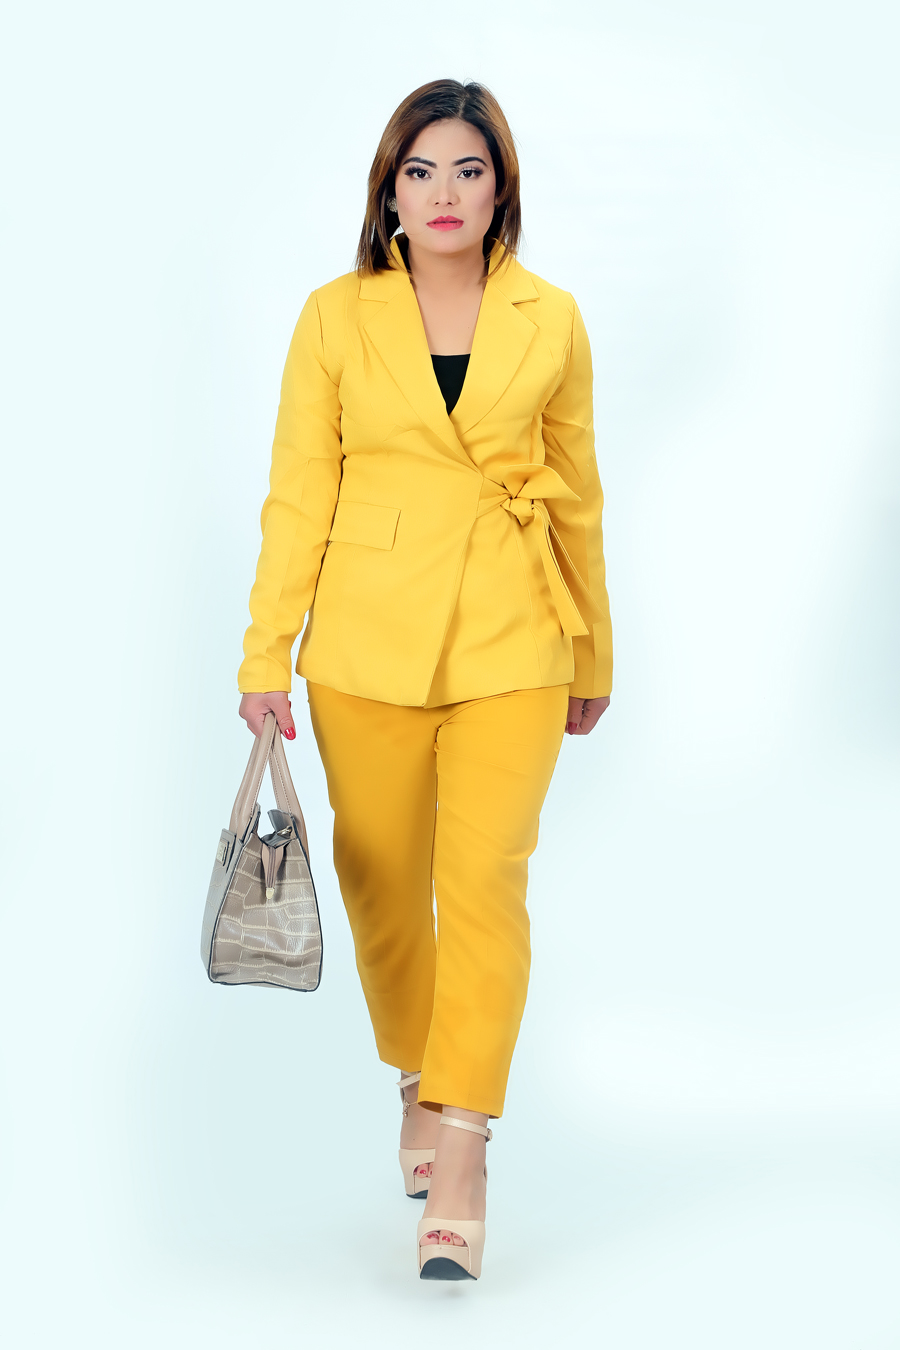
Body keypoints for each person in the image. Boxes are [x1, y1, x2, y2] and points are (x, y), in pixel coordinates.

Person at [237, 78, 612, 1281]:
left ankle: (462, 1145)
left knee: (486, 883)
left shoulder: (551, 317)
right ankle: (419, 1071)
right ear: (388, 194)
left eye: (468, 169)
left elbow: (579, 496)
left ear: (502, 189)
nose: (444, 192)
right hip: (366, 637)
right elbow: (299, 490)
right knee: (382, 878)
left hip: (513, 630)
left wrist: (592, 651)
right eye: (420, 171)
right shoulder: (336, 316)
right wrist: (264, 651)